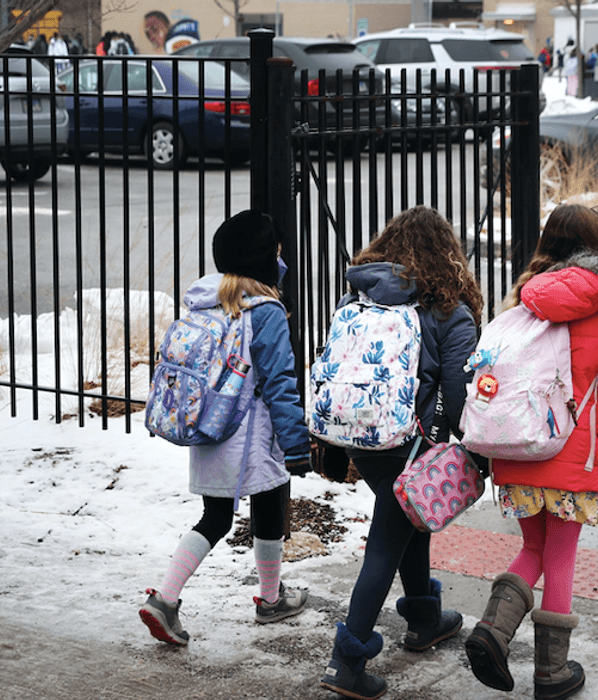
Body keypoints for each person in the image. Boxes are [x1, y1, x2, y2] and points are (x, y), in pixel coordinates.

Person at [464, 203, 598, 700]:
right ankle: (551, 671)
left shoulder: (525, 300)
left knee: (533, 547)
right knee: (561, 555)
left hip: (519, 448)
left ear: (548, 242)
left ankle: (492, 631)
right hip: (575, 456)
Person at [318, 206, 482, 700]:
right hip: (412, 443)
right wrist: (474, 446)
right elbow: (458, 394)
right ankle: (345, 661)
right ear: (447, 255)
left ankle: (424, 619)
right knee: (386, 542)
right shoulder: (452, 313)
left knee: (408, 515)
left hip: (364, 440)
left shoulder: (365, 300)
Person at [139, 210, 310, 647]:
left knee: (215, 517)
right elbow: (279, 384)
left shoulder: (208, 300)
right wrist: (296, 445)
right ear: (265, 261)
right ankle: (270, 600)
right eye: (275, 253)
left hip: (211, 430)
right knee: (269, 509)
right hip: (252, 436)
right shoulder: (265, 312)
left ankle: (166, 597)